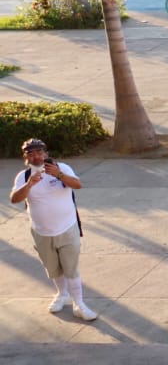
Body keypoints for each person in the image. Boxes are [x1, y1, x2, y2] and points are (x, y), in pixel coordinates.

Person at [9, 137, 94, 319]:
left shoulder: (61, 168)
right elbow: (14, 199)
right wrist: (30, 184)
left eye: (39, 152)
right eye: (31, 154)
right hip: (41, 232)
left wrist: (59, 175)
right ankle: (62, 295)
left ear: (46, 153)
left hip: (67, 228)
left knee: (70, 268)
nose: (36, 157)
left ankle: (79, 304)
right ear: (26, 158)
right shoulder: (24, 177)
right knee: (53, 268)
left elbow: (78, 185)